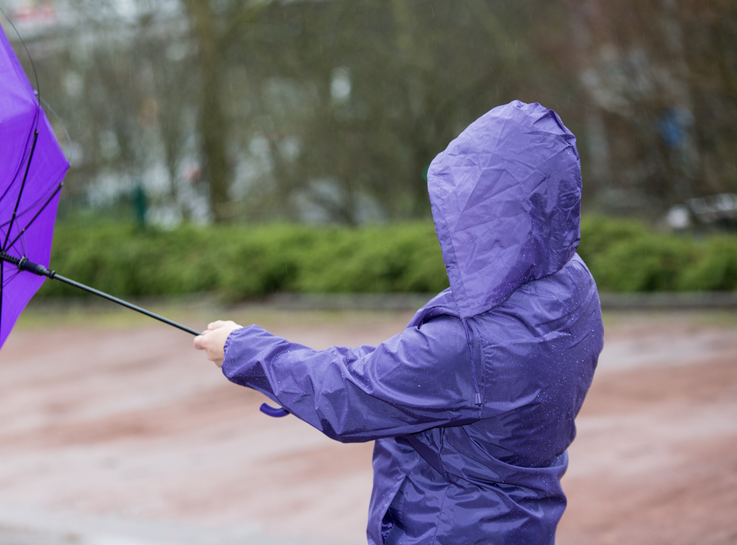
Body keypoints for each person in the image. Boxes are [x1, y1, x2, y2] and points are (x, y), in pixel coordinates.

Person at [194, 100, 604, 545]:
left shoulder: (470, 344)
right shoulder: (573, 283)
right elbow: (411, 370)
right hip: (520, 526)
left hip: (447, 530)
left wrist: (242, 348)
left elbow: (352, 392)